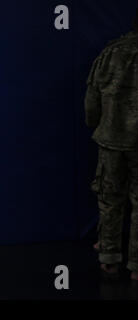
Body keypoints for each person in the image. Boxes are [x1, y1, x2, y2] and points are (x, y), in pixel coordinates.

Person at [85, 11, 138, 281]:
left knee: (109, 199)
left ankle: (109, 258)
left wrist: (95, 124)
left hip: (112, 140)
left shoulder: (111, 53)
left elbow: (92, 95)